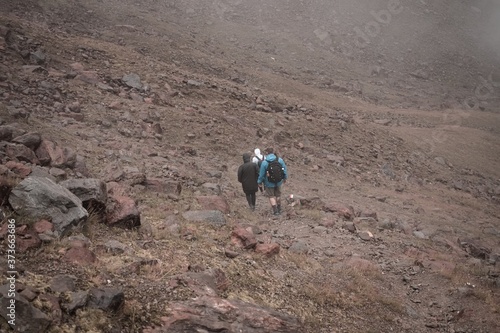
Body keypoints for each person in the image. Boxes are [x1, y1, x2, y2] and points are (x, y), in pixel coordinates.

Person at [258, 147, 288, 216]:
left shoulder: (264, 163)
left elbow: (261, 174)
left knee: (271, 196)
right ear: (273, 152)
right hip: (278, 181)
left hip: (269, 182)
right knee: (278, 195)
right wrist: (285, 178)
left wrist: (259, 182)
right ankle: (279, 207)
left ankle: (275, 211)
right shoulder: (280, 160)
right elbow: (284, 169)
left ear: (267, 153)